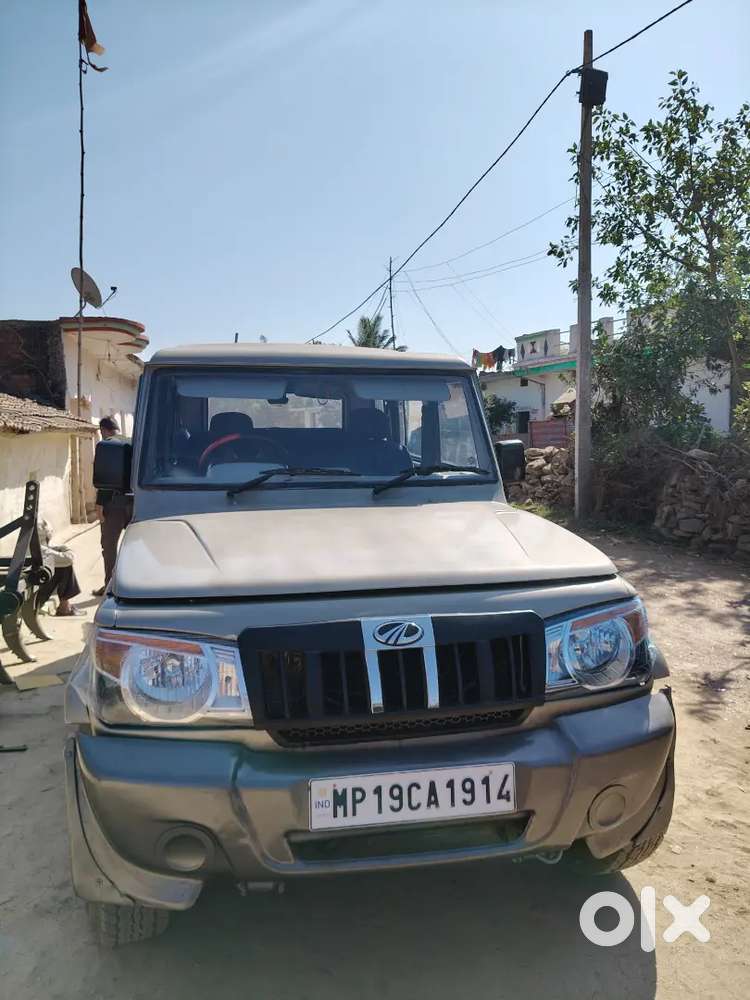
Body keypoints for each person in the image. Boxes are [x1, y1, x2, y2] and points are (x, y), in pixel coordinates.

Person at [93, 415, 133, 596]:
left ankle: (110, 586)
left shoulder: (106, 445)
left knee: (109, 547)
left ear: (103, 430)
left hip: (114, 504)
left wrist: (99, 506)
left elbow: (105, 478)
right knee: (136, 547)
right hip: (136, 501)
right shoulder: (133, 442)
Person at [36, 520, 83, 616]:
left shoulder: (33, 547)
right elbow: (69, 558)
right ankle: (64, 607)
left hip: (36, 585)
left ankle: (65, 606)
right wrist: (65, 548)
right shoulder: (40, 550)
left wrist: (57, 549)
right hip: (36, 595)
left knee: (61, 565)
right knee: (65, 567)